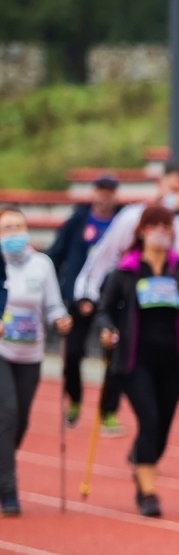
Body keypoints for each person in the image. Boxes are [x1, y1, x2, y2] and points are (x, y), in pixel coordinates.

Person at [77, 162, 179, 439]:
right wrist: (87, 290)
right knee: (126, 354)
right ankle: (110, 409)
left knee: (166, 380)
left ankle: (149, 434)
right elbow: (106, 254)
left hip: (177, 306)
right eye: (174, 188)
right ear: (160, 185)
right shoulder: (134, 216)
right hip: (137, 300)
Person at [95, 205, 179, 517]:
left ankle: (140, 455)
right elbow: (105, 309)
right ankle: (147, 492)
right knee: (148, 419)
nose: (161, 232)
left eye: (166, 226)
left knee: (162, 426)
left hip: (173, 360)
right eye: (155, 226)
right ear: (142, 231)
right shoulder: (125, 271)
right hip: (135, 361)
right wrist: (108, 330)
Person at [0, 207, 72, 515]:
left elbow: (53, 305)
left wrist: (61, 320)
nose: (14, 233)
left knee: (21, 421)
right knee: (8, 414)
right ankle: (8, 491)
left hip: (31, 353)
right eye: (7, 228)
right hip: (1, 351)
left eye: (18, 226)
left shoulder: (42, 265)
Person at [46, 175, 121, 427]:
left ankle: (108, 411)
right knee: (73, 354)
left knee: (114, 356)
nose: (105, 195)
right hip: (77, 300)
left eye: (110, 190)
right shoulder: (76, 222)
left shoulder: (122, 223)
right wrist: (59, 295)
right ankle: (75, 399)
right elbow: (56, 256)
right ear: (93, 192)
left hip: (111, 301)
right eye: (101, 189)